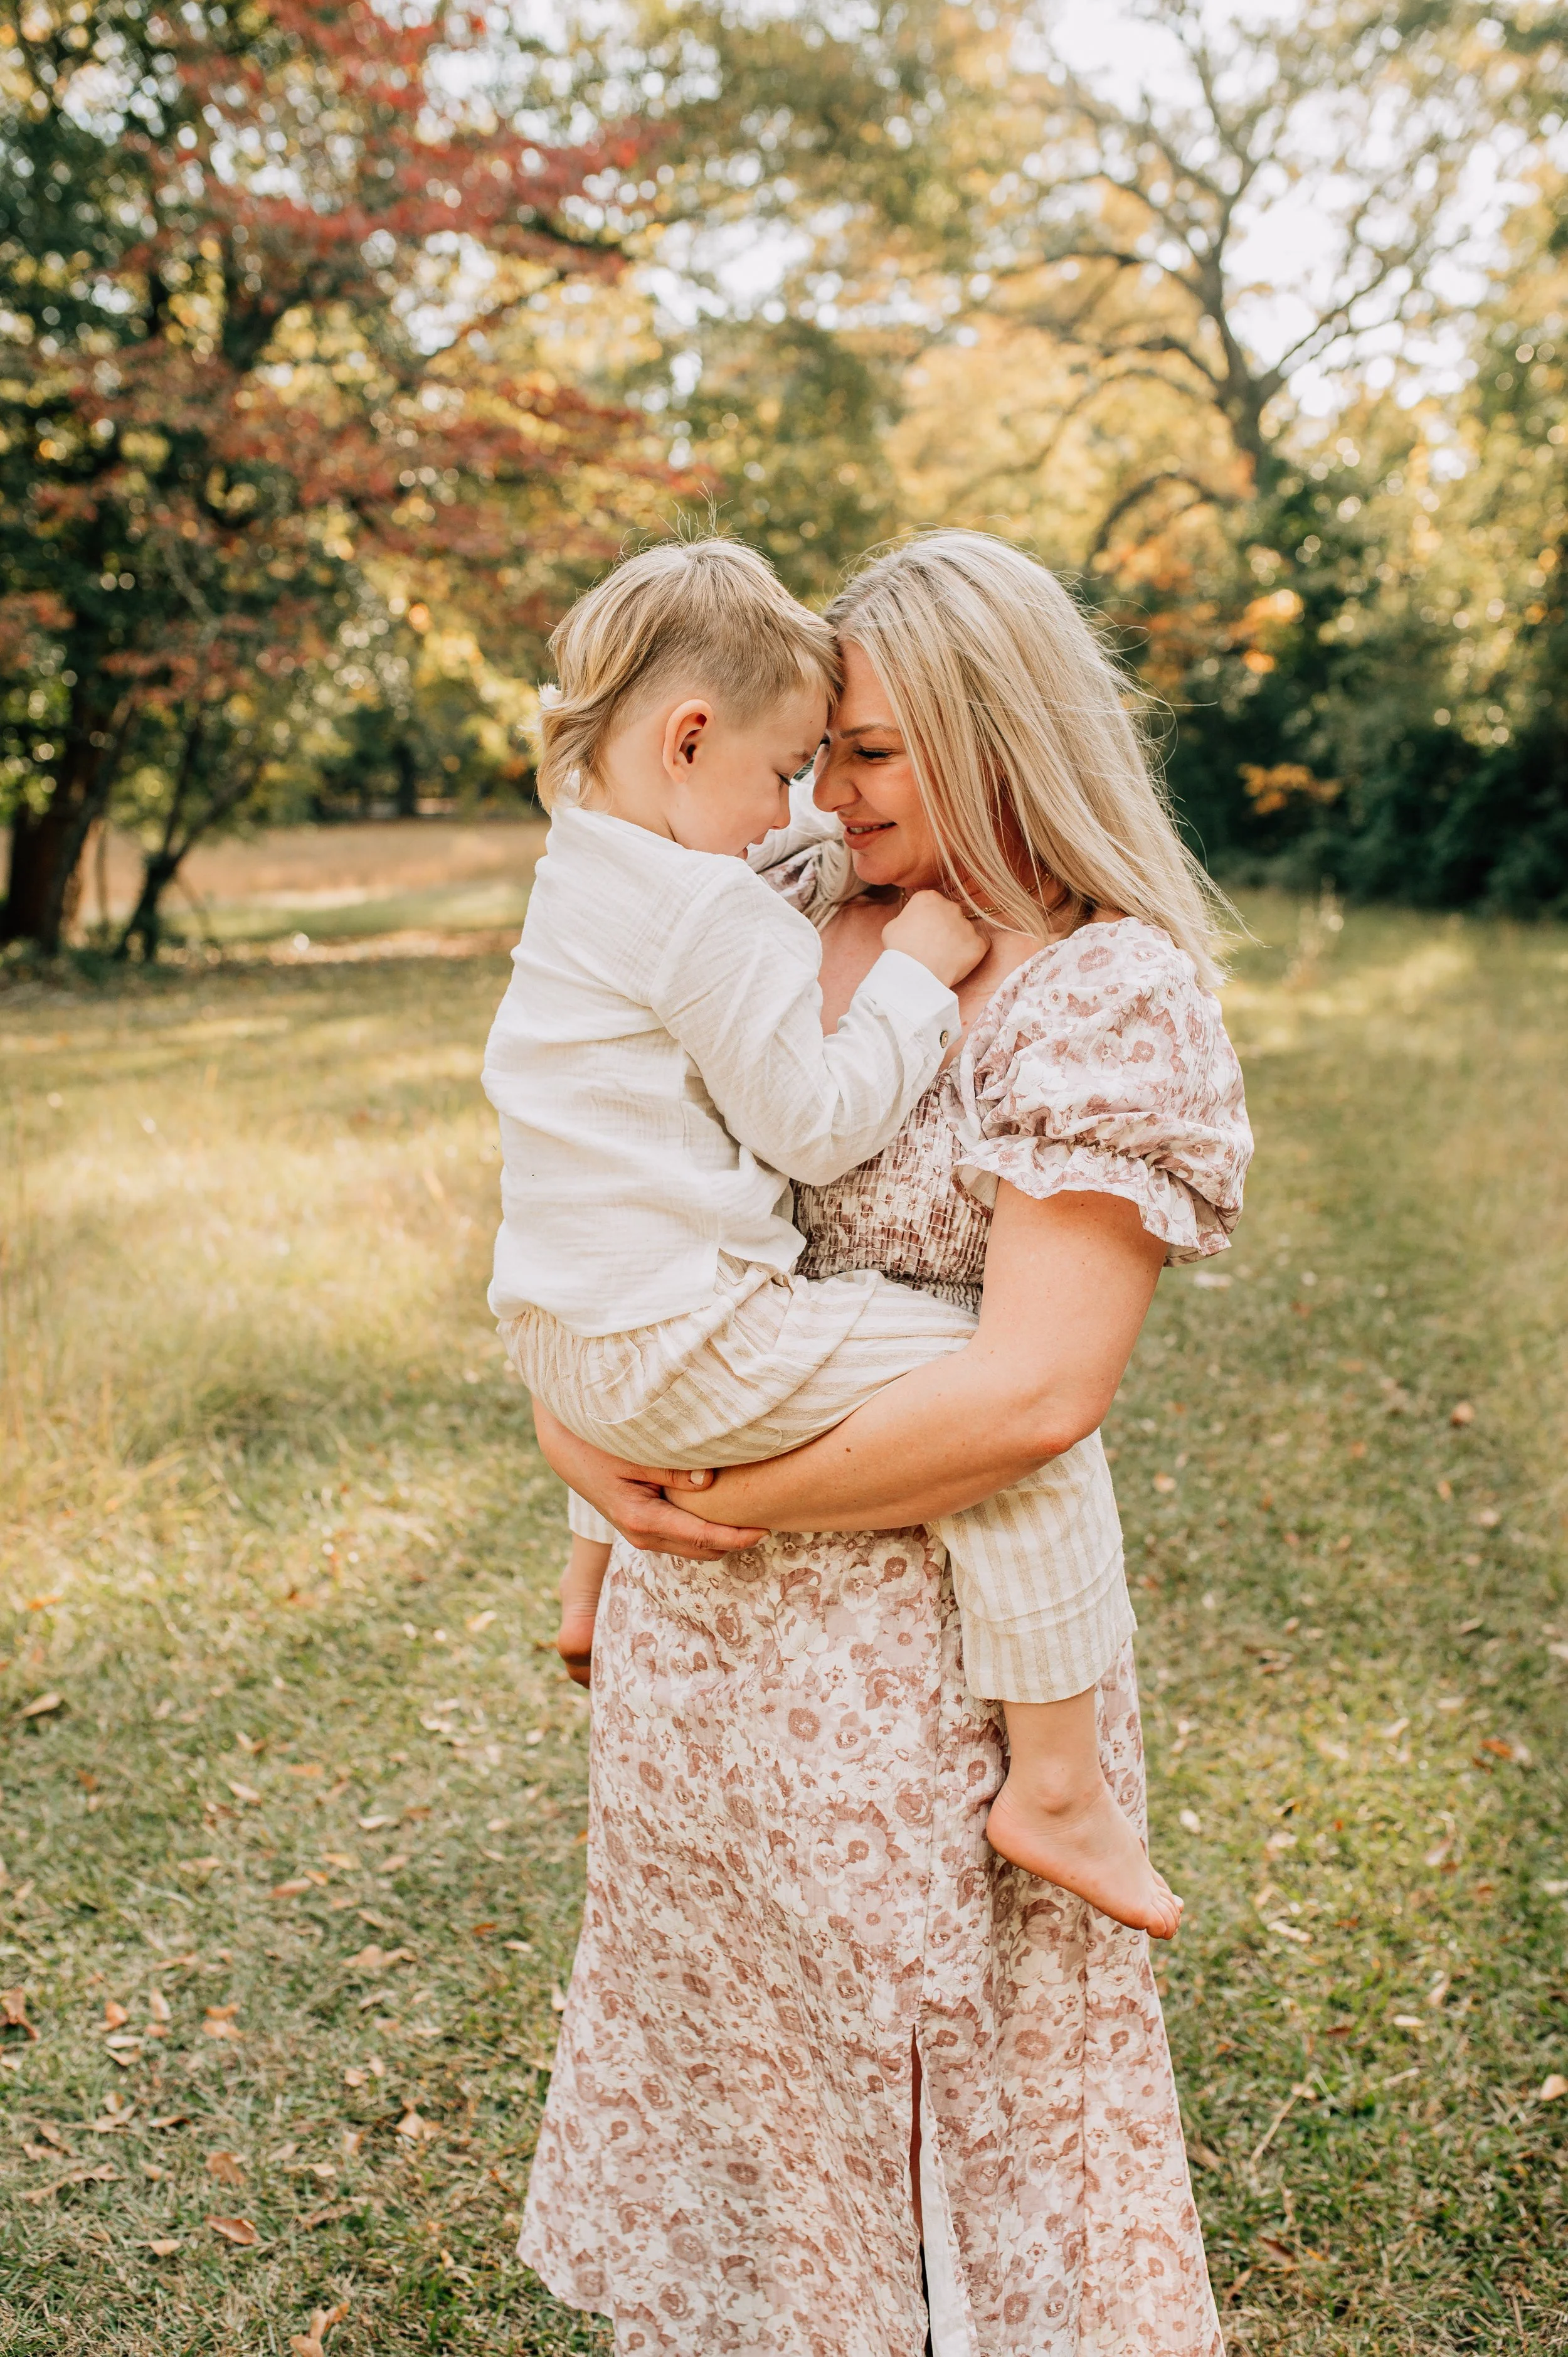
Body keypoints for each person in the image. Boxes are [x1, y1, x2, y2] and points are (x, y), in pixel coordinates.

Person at [521, 529, 1250, 2356]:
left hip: (923, 1699)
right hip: (702, 1687)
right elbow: (610, 1171)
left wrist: (706, 1494)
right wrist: (579, 1440)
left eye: (869, 754)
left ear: (998, 741)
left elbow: (1028, 1394)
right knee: (742, 2107)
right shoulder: (760, 884)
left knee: (939, 2131)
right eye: (816, 748)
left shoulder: (1099, 990)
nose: (825, 792)